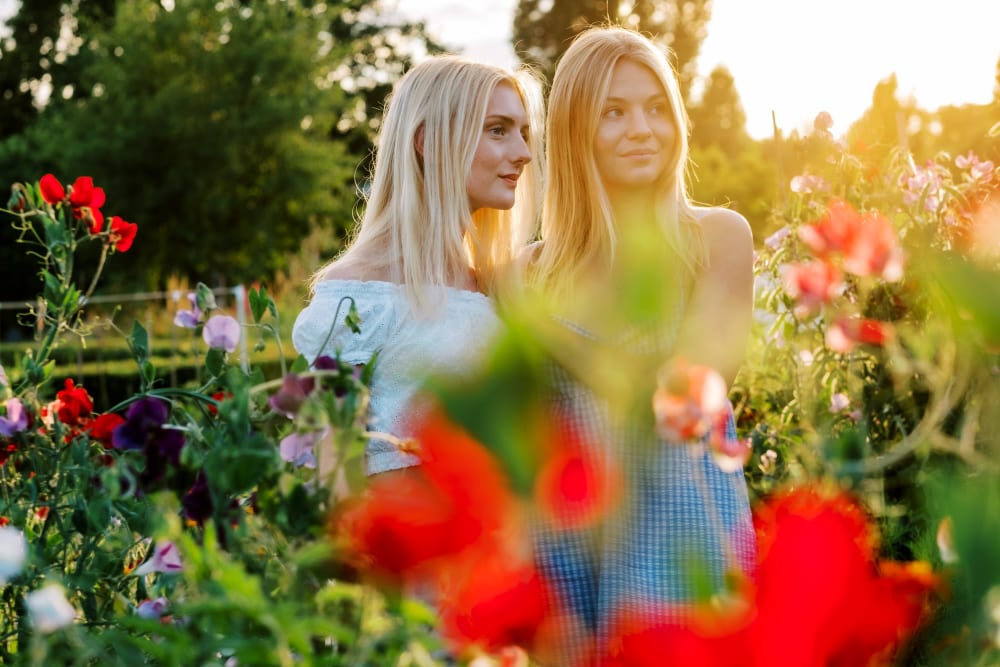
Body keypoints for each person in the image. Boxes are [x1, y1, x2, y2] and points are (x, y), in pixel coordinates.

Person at [522, 25, 756, 662]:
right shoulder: (528, 272)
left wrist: (546, 327)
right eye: (614, 113)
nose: (642, 129)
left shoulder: (716, 240)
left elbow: (688, 400)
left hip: (685, 541)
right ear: (575, 132)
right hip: (568, 554)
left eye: (657, 109)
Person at [291, 55, 542, 478]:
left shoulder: (495, 287)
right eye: (498, 130)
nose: (524, 154)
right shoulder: (361, 293)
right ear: (427, 141)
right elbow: (333, 480)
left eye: (524, 133)